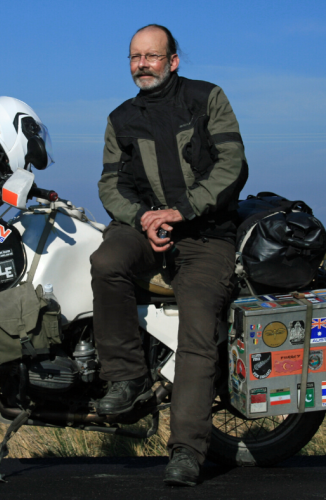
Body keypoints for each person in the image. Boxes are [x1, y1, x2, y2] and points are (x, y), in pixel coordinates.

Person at [90, 24, 248, 486]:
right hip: (145, 229)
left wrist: (181, 211)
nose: (142, 64)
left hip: (205, 234)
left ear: (173, 61)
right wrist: (142, 217)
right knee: (105, 262)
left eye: (152, 56)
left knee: (197, 328)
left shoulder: (207, 98)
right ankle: (127, 378)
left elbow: (232, 165)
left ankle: (185, 451)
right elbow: (109, 184)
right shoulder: (120, 118)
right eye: (135, 57)